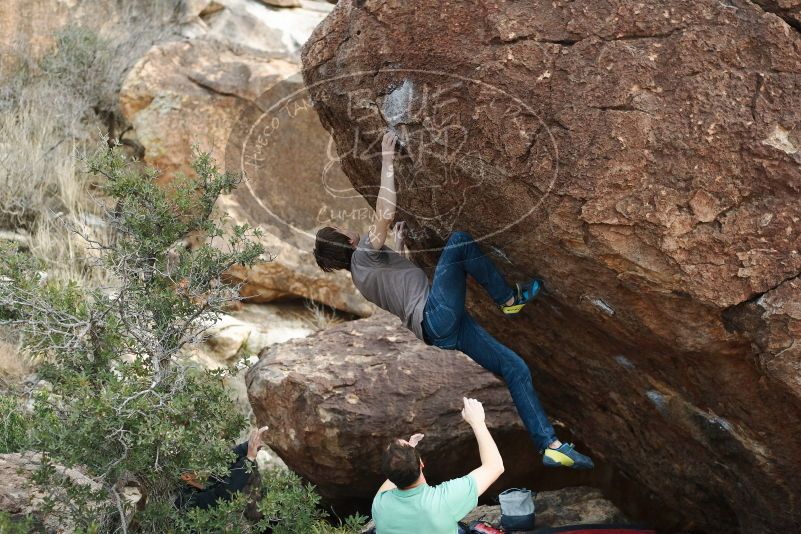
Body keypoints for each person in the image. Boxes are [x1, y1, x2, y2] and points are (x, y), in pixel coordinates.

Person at [313, 131, 593, 469]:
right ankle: (507, 298)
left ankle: (549, 444)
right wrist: (387, 161)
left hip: (440, 329)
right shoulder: (362, 257)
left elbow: (401, 290)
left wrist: (399, 249)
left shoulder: (362, 276)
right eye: (341, 229)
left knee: (514, 367)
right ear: (344, 239)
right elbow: (385, 213)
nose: (347, 229)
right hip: (436, 317)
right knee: (459, 241)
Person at [371, 397, 504, 533]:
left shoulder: (380, 504)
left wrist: (407, 454)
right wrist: (478, 422)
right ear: (422, 464)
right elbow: (495, 466)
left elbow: (397, 472)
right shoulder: (443, 500)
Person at [176, 425, 269, 510]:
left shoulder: (197, 494)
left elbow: (221, 483)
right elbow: (222, 492)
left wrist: (248, 452)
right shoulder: (191, 499)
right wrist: (248, 454)